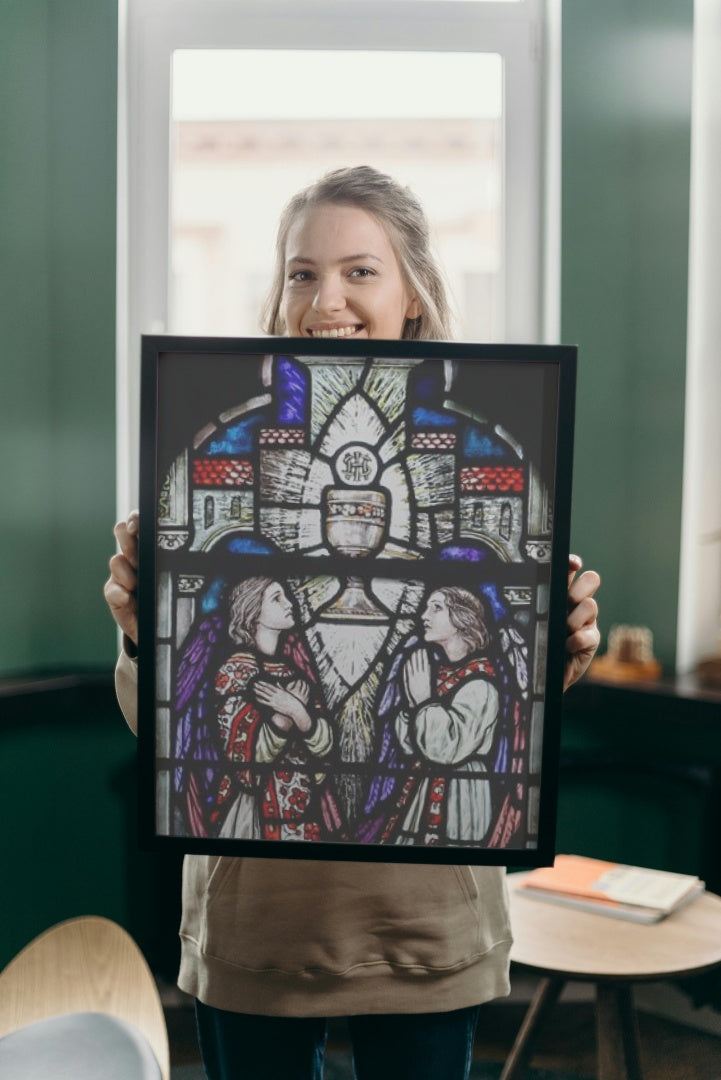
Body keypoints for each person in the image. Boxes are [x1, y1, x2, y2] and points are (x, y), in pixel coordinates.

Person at [105, 165, 601, 1080]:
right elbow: (167, 728)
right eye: (301, 272)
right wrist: (143, 633)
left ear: (413, 292)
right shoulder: (214, 463)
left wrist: (557, 648)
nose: (324, 297)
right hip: (258, 921)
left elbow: (506, 723)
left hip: (422, 921)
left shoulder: (490, 462)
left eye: (359, 271)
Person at [363, 587, 500, 848]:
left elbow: (447, 749)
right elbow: (408, 745)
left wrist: (424, 702)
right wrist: (415, 706)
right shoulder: (439, 675)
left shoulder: (481, 685)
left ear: (463, 618)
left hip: (460, 794)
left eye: (436, 607)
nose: (424, 615)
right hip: (423, 784)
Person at [209, 576, 338, 842]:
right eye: (277, 598)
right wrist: (283, 716)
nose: (289, 603)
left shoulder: (292, 671)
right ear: (253, 611)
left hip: (302, 811)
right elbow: (244, 762)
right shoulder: (235, 672)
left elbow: (325, 748)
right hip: (253, 814)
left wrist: (297, 711)